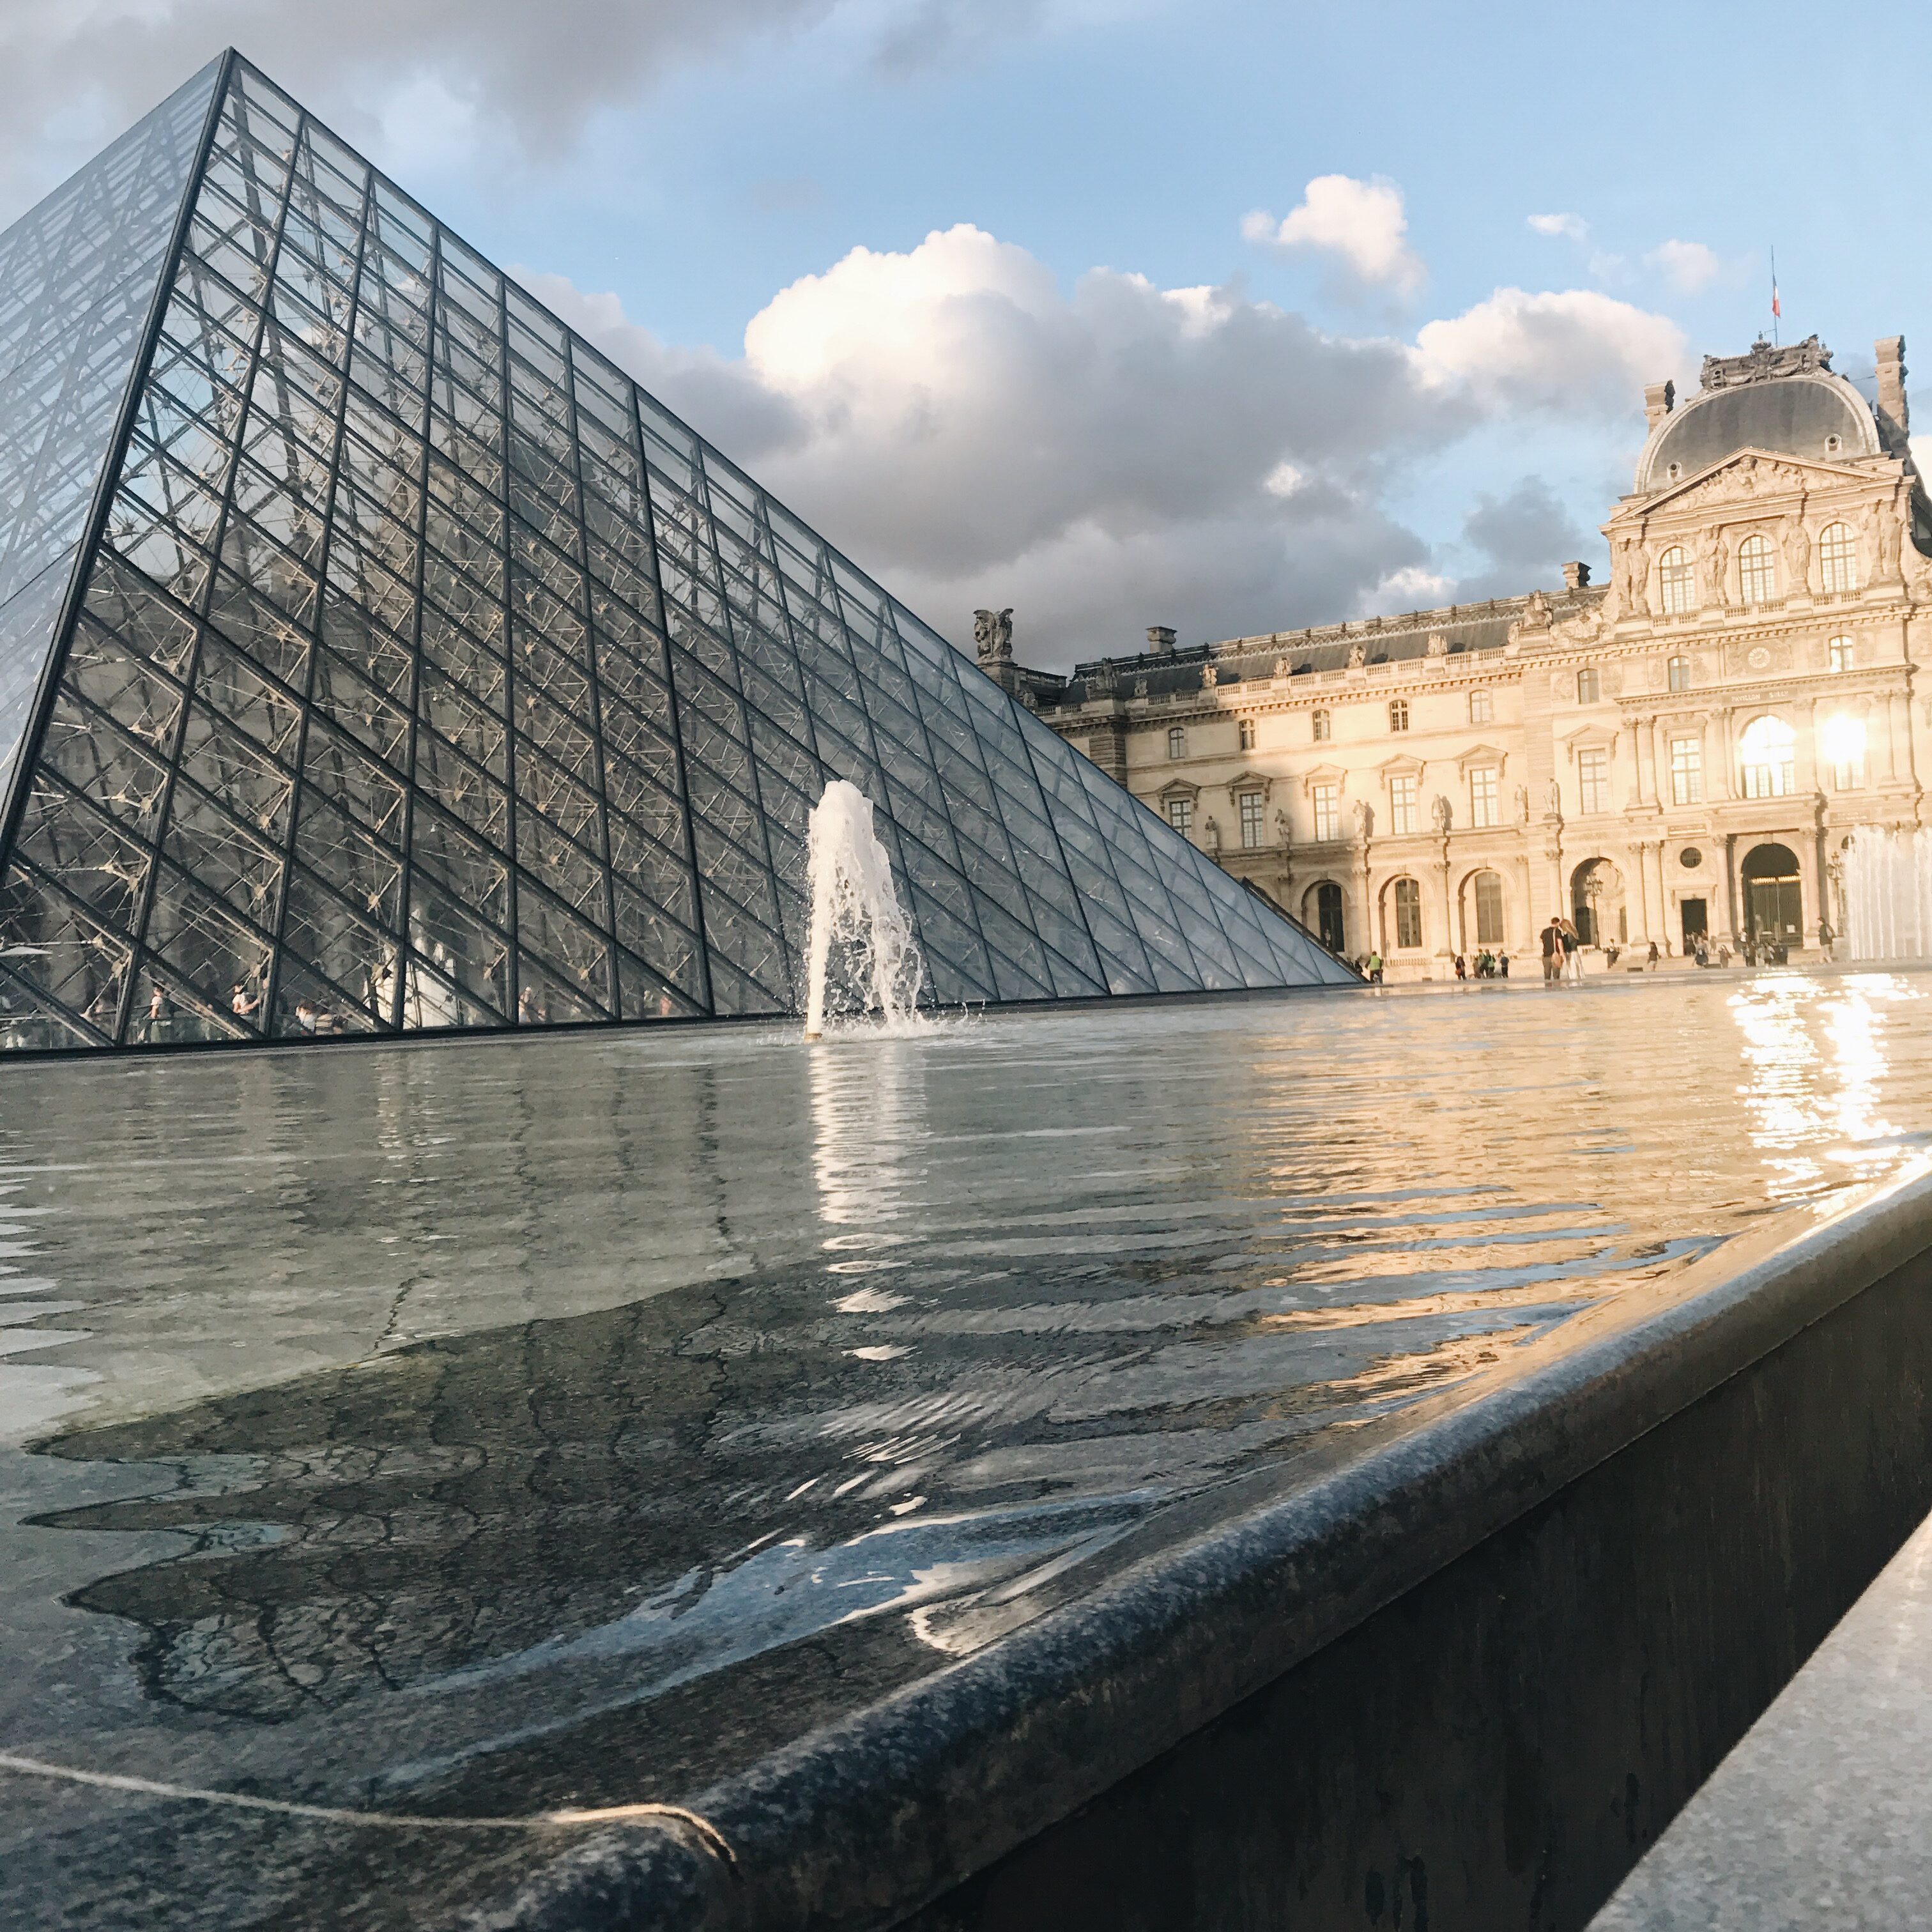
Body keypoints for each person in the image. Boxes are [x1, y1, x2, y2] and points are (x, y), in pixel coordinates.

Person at [1541, 917, 1564, 984]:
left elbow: (1540, 940)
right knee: (1556, 976)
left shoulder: (1544, 931)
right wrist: (1562, 953)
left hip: (1546, 956)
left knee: (1547, 976)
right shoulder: (1557, 931)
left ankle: (1548, 990)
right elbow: (1560, 942)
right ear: (1558, 923)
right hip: (1555, 955)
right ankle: (1556, 990)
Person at [1560, 918, 1583, 984]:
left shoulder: (1569, 935)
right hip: (1575, 953)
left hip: (1571, 954)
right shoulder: (1574, 933)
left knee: (1573, 971)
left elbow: (1568, 945)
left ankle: (1575, 985)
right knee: (1577, 970)